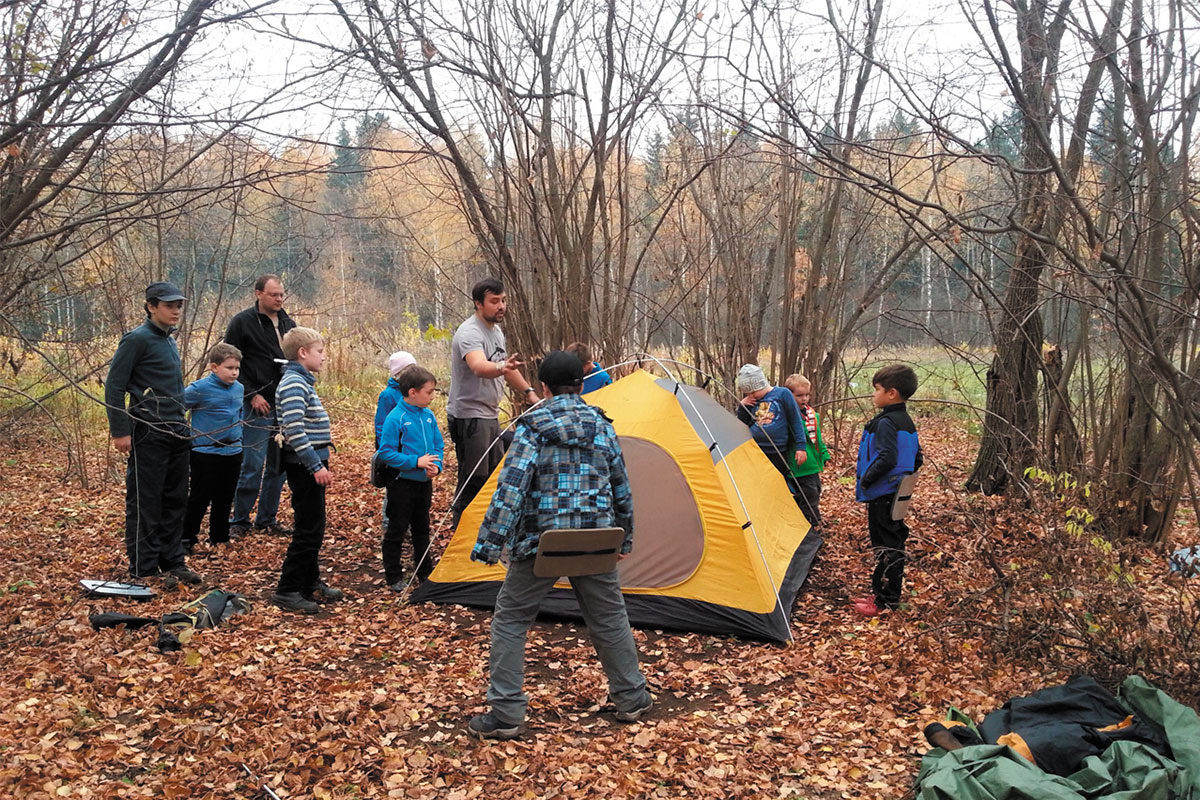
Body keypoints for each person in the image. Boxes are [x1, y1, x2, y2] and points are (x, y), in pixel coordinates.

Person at [466, 351, 652, 740]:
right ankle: (632, 697)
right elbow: (622, 488)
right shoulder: (602, 427)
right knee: (609, 617)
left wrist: (488, 545)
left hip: (541, 541)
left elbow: (510, 489)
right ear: (582, 386)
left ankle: (506, 713)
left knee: (512, 619)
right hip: (597, 538)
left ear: (545, 388)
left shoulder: (532, 427)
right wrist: (625, 536)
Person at [104, 281, 202, 586]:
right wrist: (120, 431)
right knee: (146, 501)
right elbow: (114, 387)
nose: (175, 311)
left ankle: (172, 561)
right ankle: (143, 569)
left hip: (177, 431)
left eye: (178, 306)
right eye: (169, 305)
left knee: (175, 499)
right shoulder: (136, 340)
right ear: (151, 306)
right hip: (148, 431)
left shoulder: (169, 340)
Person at [447, 277, 538, 528]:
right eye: (495, 301)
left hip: (489, 414)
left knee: (492, 478)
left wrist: (530, 393)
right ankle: (460, 537)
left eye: (504, 300)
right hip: (470, 416)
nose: (501, 306)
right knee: (474, 479)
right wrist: (500, 366)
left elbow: (505, 367)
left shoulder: (496, 331)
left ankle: (482, 530)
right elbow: (478, 366)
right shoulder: (470, 332)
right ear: (479, 304)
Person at [272, 327, 342, 614]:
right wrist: (315, 465)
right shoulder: (292, 384)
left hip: (312, 462)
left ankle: (309, 581)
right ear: (303, 353)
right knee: (308, 529)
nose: (324, 357)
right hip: (304, 466)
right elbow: (294, 430)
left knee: (314, 525)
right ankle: (287, 589)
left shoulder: (302, 382)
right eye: (320, 351)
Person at [223, 274, 296, 539]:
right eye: (274, 294)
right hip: (256, 405)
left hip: (285, 404)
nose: (279, 299)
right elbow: (229, 363)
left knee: (279, 466)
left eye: (281, 294)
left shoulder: (289, 323)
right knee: (252, 464)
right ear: (258, 294)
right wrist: (251, 394)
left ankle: (267, 519)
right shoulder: (242, 322)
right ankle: (239, 520)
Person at [853, 364, 923, 617]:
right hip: (895, 495)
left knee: (886, 548)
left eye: (877, 390)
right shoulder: (906, 421)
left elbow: (887, 457)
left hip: (883, 495)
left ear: (891, 393)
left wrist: (867, 480)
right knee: (890, 545)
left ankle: (885, 601)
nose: (874, 395)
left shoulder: (886, 423)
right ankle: (880, 593)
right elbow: (918, 458)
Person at [377, 365, 444, 590]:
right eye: (429, 391)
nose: (433, 396)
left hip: (424, 483)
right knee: (397, 529)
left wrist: (437, 465)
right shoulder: (396, 417)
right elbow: (385, 453)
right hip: (401, 484)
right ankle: (394, 576)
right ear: (413, 392)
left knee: (422, 528)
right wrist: (415, 462)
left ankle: (424, 572)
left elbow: (438, 445)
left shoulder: (428, 416)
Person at [182, 343, 245, 552]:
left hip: (233, 451)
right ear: (214, 367)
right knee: (200, 497)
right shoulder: (199, 389)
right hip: (205, 452)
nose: (234, 372)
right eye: (229, 368)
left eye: (237, 368)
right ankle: (186, 538)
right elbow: (176, 407)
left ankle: (219, 536)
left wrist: (239, 438)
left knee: (225, 496)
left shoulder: (239, 388)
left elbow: (239, 415)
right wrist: (185, 435)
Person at [735, 364, 808, 505]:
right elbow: (742, 425)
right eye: (747, 394)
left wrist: (801, 446)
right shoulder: (752, 401)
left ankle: (784, 506)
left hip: (777, 450)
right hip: (755, 450)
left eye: (752, 392)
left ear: (761, 385)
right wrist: (743, 406)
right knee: (760, 483)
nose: (750, 396)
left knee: (778, 482)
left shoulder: (782, 394)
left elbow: (795, 420)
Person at [784, 373, 831, 529]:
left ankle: (811, 518)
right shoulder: (788, 417)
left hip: (813, 463)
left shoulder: (812, 415)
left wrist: (824, 454)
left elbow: (817, 438)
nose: (804, 399)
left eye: (807, 395)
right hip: (800, 466)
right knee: (807, 494)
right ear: (789, 396)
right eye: (799, 396)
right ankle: (809, 522)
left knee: (816, 490)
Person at [374, 350, 417, 449]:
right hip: (394, 443)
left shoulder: (414, 391)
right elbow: (381, 424)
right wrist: (385, 449)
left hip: (409, 443)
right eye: (409, 371)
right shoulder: (388, 395)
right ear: (399, 373)